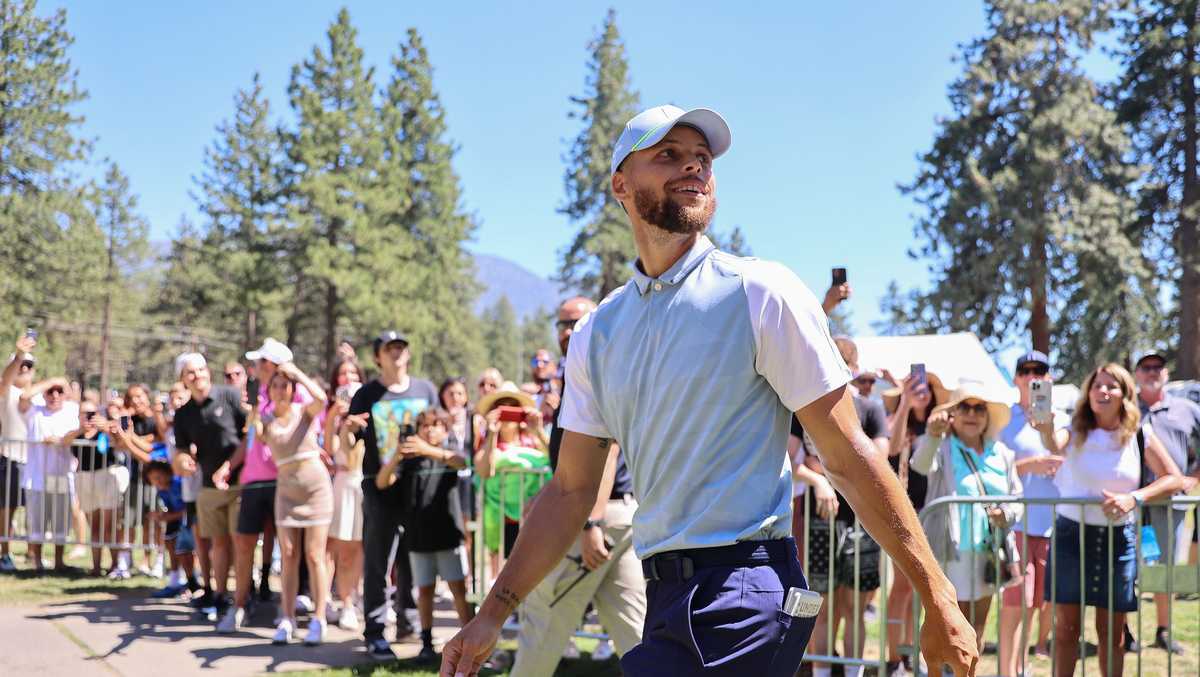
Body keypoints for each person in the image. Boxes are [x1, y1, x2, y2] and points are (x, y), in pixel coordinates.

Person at [442, 105, 978, 677]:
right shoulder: (598, 332)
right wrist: (492, 613)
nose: (693, 168)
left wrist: (937, 595)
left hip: (747, 589)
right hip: (664, 599)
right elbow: (572, 489)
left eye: (702, 158)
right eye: (668, 155)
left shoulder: (760, 292)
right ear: (621, 184)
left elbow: (848, 454)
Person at [512, 294, 648, 674]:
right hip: (617, 519)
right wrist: (544, 496)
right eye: (563, 324)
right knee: (636, 636)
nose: (569, 331)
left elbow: (608, 451)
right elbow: (574, 464)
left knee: (541, 622)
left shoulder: (598, 371)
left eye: (578, 322)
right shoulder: (584, 371)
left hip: (594, 519)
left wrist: (591, 523)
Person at [1035, 363, 1186, 677]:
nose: (1102, 391)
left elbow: (1174, 479)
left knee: (1112, 634)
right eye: (1096, 385)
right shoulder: (1074, 428)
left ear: (1124, 394)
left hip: (1117, 541)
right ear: (1088, 393)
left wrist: (1135, 498)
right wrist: (1046, 428)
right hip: (1069, 538)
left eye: (1111, 386)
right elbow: (1052, 445)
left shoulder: (1139, 432)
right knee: (1065, 631)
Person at [911, 382, 1023, 668]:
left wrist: (1006, 513)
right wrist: (932, 435)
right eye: (964, 407)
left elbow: (1018, 498)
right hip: (951, 552)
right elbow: (919, 465)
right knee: (948, 627)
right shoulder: (942, 446)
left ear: (987, 416)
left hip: (989, 551)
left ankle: (968, 673)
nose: (972, 414)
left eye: (979, 408)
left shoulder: (1003, 453)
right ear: (953, 414)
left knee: (977, 628)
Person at [346, 330, 438, 661]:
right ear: (378, 357)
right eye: (390, 348)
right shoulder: (367, 393)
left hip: (417, 488)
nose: (397, 353)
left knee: (413, 559)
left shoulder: (425, 389)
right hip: (379, 486)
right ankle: (374, 631)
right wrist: (348, 430)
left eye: (401, 347)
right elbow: (349, 442)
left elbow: (437, 431)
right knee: (377, 560)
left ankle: (409, 622)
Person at [805, 337, 891, 677]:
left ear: (853, 369)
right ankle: (823, 672)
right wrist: (823, 479)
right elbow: (796, 456)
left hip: (861, 519)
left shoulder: (870, 408)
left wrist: (831, 471)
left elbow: (880, 458)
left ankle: (852, 672)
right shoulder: (807, 405)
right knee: (822, 607)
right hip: (821, 520)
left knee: (855, 606)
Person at [240, 362, 331, 646]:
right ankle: (287, 617)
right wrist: (253, 404)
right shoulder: (266, 419)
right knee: (288, 554)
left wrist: (297, 372)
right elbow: (253, 435)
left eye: (285, 385)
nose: (280, 390)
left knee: (314, 554)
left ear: (293, 389)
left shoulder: (304, 412)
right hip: (286, 491)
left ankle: (319, 618)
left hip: (315, 488)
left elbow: (322, 399)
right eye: (276, 385)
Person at [376, 407, 472, 663]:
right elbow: (382, 482)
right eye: (424, 426)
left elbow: (461, 461)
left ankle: (471, 641)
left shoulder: (447, 455)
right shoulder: (409, 461)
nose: (429, 430)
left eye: (435, 425)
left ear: (445, 429)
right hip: (419, 539)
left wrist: (429, 450)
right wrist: (397, 455)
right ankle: (427, 642)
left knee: (458, 590)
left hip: (449, 537)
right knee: (425, 591)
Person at [217, 338, 300, 633]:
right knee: (243, 543)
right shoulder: (259, 396)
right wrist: (229, 466)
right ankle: (239, 606)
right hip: (253, 482)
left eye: (259, 363)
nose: (254, 368)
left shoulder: (295, 396)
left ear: (272, 364)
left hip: (283, 481)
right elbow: (251, 439)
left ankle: (285, 608)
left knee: (288, 549)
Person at [995, 351, 1063, 675]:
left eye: (1040, 370)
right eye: (1025, 370)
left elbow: (1065, 453)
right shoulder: (1003, 419)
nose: (1032, 375)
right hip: (1017, 523)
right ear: (1015, 378)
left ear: (1048, 377)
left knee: (1035, 603)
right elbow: (995, 468)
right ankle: (1007, 670)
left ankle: (1020, 666)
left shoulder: (1059, 418)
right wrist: (1029, 466)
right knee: (1014, 604)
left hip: (1049, 524)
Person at [1131, 349, 1200, 655]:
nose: (1152, 371)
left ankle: (1163, 629)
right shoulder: (1126, 408)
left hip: (1171, 505)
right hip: (1131, 503)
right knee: (1128, 568)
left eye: (1157, 366)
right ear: (1136, 374)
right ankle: (1124, 630)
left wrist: (1193, 479)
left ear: (1166, 373)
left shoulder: (1186, 409)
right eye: (1145, 367)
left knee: (1166, 569)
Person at [882, 367, 948, 677]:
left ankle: (911, 652)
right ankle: (894, 655)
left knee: (920, 589)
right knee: (901, 587)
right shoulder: (898, 421)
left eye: (926, 389)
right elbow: (892, 449)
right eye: (915, 387)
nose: (922, 392)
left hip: (932, 511)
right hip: (902, 513)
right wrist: (905, 402)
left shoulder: (940, 425)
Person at [171, 353, 247, 615]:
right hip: (208, 486)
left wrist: (230, 467)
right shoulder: (183, 414)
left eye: (202, 369)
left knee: (241, 541)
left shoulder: (230, 396)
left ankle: (244, 595)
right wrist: (182, 462)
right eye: (191, 372)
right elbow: (180, 450)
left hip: (240, 482)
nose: (198, 375)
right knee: (219, 543)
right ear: (183, 379)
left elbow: (249, 435)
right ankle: (220, 595)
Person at [474, 382, 549, 572]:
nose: (507, 411)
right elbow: (484, 471)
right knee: (502, 575)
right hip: (501, 521)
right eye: (501, 406)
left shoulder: (534, 440)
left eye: (513, 406)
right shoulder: (486, 443)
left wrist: (538, 431)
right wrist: (492, 435)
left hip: (534, 518)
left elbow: (559, 461)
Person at [63, 400, 132, 576]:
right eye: (84, 414)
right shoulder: (76, 435)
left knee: (109, 527)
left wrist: (105, 427)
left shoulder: (105, 432)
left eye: (92, 414)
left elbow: (120, 441)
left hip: (106, 477)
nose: (88, 417)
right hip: (85, 479)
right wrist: (81, 428)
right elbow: (65, 441)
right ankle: (95, 567)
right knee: (94, 527)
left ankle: (115, 565)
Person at [325, 358, 366, 630]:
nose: (347, 378)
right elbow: (330, 449)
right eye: (342, 373)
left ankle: (350, 601)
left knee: (356, 548)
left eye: (353, 373)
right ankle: (329, 599)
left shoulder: (369, 411)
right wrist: (335, 420)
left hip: (362, 481)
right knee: (334, 547)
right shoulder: (332, 412)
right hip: (341, 483)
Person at [22, 373, 77, 572]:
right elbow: (24, 397)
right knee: (37, 521)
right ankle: (37, 561)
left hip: (62, 475)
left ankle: (59, 562)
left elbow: (74, 400)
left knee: (61, 521)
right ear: (44, 394)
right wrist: (53, 381)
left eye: (59, 391)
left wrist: (62, 382)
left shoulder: (71, 410)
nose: (55, 395)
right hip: (36, 477)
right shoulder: (34, 411)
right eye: (50, 392)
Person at [0, 339, 43, 571]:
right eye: (20, 366)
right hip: (11, 457)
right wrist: (19, 355)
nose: (24, 370)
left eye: (28, 366)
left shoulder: (39, 395)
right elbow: (5, 381)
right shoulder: (8, 392)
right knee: (8, 509)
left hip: (36, 460)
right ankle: (5, 553)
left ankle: (33, 554)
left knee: (34, 510)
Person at [144, 460, 199, 598]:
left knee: (184, 551)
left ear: (168, 473)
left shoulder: (179, 484)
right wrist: (161, 515)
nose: (158, 481)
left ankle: (192, 582)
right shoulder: (161, 490)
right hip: (175, 521)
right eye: (154, 480)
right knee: (170, 544)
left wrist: (169, 516)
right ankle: (175, 581)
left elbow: (189, 508)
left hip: (188, 520)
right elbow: (171, 508)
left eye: (159, 477)